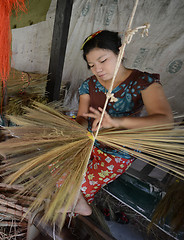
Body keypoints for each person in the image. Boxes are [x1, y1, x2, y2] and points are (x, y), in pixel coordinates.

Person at [72, 30, 173, 216]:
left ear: (121, 52)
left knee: (82, 184)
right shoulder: (88, 85)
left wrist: (117, 122)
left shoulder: (142, 82)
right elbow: (82, 117)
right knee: (58, 168)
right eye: (91, 65)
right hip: (88, 141)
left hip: (118, 151)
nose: (98, 69)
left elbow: (165, 121)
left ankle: (81, 207)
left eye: (103, 61)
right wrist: (69, 129)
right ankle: (74, 204)